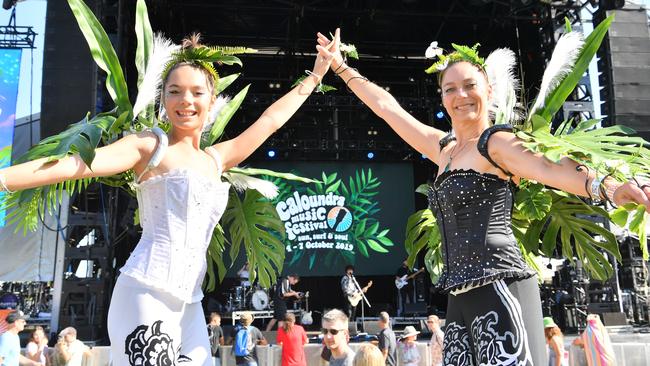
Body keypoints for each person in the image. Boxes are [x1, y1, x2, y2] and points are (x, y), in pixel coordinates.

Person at [316, 28, 650, 365]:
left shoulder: (497, 143)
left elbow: (551, 167)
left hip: (502, 285)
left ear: (488, 91)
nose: (460, 95)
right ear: (443, 98)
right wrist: (342, 68)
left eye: (469, 86)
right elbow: (387, 108)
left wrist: (608, 187)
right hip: (460, 296)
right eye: (450, 89)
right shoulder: (443, 149)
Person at [0, 33, 335, 365]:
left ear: (212, 98)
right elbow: (76, 165)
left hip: (189, 303)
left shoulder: (216, 159)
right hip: (146, 291)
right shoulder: (150, 146)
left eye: (196, 92)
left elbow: (270, 121)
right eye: (174, 92)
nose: (185, 100)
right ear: (164, 99)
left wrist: (317, 75)